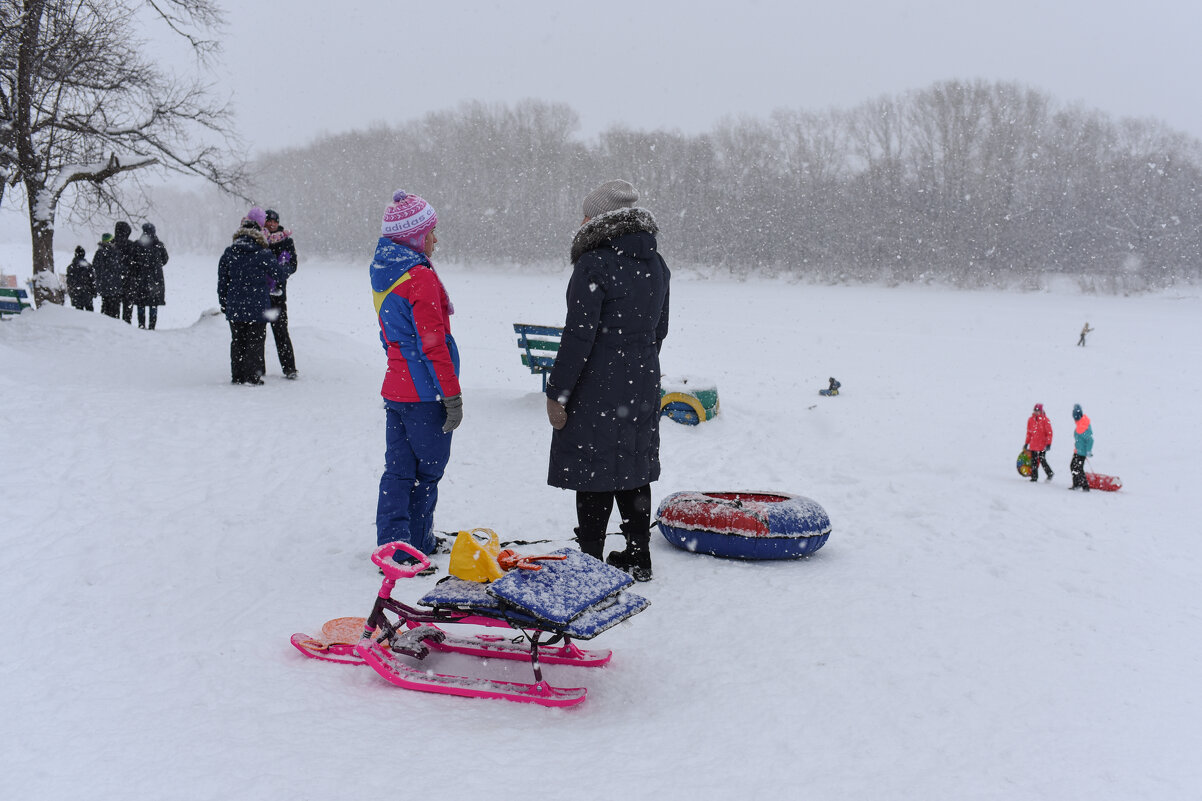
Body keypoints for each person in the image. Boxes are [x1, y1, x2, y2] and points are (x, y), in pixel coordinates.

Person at [545, 179, 670, 582]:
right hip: (643, 377)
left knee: (593, 466)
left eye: (586, 213)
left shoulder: (594, 263)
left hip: (597, 381)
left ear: (600, 219)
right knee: (633, 464)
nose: (580, 221)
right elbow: (660, 329)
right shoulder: (657, 263)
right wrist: (637, 368)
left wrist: (557, 392)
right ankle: (638, 556)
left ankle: (590, 562)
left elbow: (578, 335)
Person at [371, 190, 462, 569]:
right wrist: (452, 396)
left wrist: (401, 366)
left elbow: (386, 334)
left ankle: (392, 547)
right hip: (425, 393)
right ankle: (417, 545)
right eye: (431, 233)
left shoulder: (384, 270)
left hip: (396, 387)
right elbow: (433, 345)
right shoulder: (419, 278)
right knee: (427, 472)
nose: (436, 240)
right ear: (414, 236)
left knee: (398, 469)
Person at [218, 208, 283, 385]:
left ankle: (237, 376)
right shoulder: (262, 253)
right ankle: (252, 376)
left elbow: (222, 281)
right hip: (258, 304)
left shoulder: (230, 252)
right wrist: (284, 263)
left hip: (235, 305)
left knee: (238, 340)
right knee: (255, 340)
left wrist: (224, 302)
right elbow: (279, 274)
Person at [262, 209, 299, 378]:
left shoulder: (286, 241)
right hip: (260, 294)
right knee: (258, 334)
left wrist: (280, 274)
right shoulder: (259, 239)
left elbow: (293, 264)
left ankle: (289, 368)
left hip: (278, 294)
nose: (272, 224)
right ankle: (258, 369)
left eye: (274, 221)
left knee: (281, 332)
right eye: (269, 221)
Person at [128, 222, 169, 329]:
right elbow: (165, 260)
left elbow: (133, 259)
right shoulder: (158, 245)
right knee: (153, 303)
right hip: (155, 278)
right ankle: (152, 325)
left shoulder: (138, 244)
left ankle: (141, 324)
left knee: (141, 302)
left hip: (141, 277)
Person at [91, 233, 124, 318]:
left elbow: (95, 267)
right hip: (115, 285)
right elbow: (119, 268)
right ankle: (114, 323)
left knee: (105, 305)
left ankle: (105, 321)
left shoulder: (99, 253)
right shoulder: (115, 252)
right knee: (115, 307)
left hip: (104, 285)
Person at [112, 221, 137, 324]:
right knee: (127, 305)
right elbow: (135, 262)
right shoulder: (131, 245)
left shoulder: (112, 245)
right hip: (129, 279)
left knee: (114, 305)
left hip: (114, 279)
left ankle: (115, 325)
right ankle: (127, 324)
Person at [1024, 403, 1054, 482]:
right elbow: (1029, 433)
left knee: (1042, 459)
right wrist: (1027, 443)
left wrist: (1048, 444)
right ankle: (1034, 477)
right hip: (1033, 444)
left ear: (1041, 411)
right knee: (1033, 460)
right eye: (1035, 410)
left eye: (1038, 410)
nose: (1036, 412)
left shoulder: (1045, 420)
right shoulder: (1030, 420)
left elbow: (1049, 433)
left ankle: (1049, 473)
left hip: (1042, 444)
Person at [1069, 403, 1094, 491]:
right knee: (1073, 466)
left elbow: (1090, 440)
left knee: (1078, 468)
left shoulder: (1083, 425)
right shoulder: (1080, 423)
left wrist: (1088, 451)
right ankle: (1077, 484)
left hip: (1082, 452)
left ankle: (1085, 486)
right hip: (1077, 451)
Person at [66, 246, 96, 311]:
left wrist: (71, 292)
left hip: (76, 293)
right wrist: (94, 291)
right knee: (90, 312)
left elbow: (69, 281)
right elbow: (92, 280)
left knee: (79, 313)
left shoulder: (71, 267)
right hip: (87, 292)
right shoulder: (88, 267)